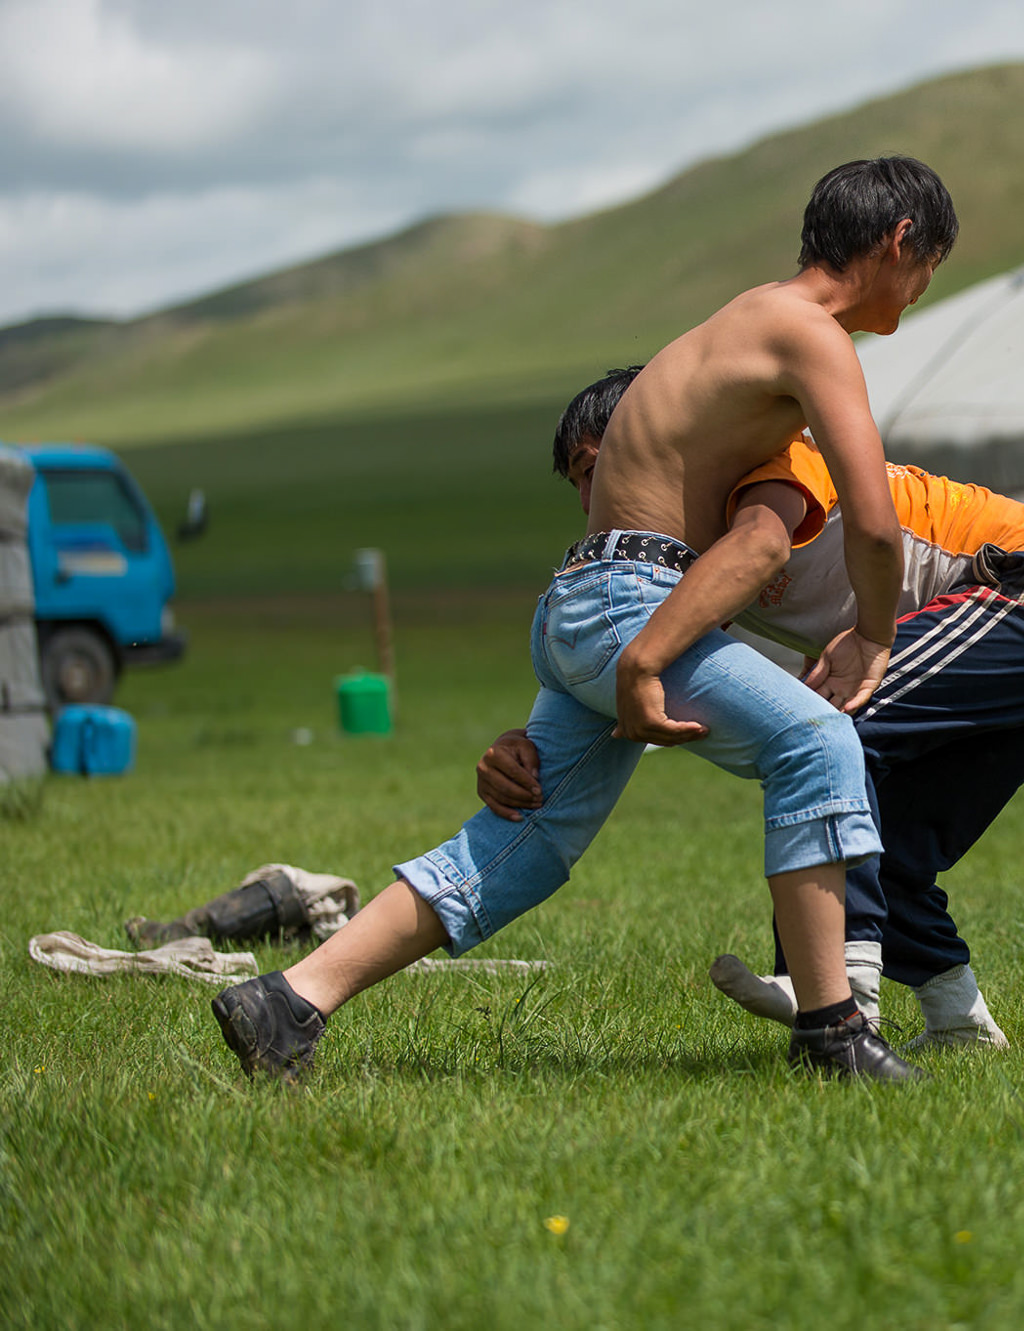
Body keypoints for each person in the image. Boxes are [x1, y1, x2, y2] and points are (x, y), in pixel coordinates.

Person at [209, 157, 958, 1084]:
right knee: (818, 743)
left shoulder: (738, 325)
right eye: (929, 268)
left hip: (585, 595)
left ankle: (290, 1001)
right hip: (633, 602)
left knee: (526, 842)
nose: (924, 291)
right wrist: (873, 634)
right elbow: (874, 524)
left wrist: (631, 650)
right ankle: (835, 1036)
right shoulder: (809, 335)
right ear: (898, 244)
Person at [477, 367, 1024, 1048]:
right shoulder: (689, 553)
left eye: (602, 464)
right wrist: (530, 746)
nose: (594, 495)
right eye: (580, 480)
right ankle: (957, 1019)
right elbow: (634, 674)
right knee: (885, 833)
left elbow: (761, 545)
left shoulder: (770, 468)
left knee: (829, 740)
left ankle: (829, 990)